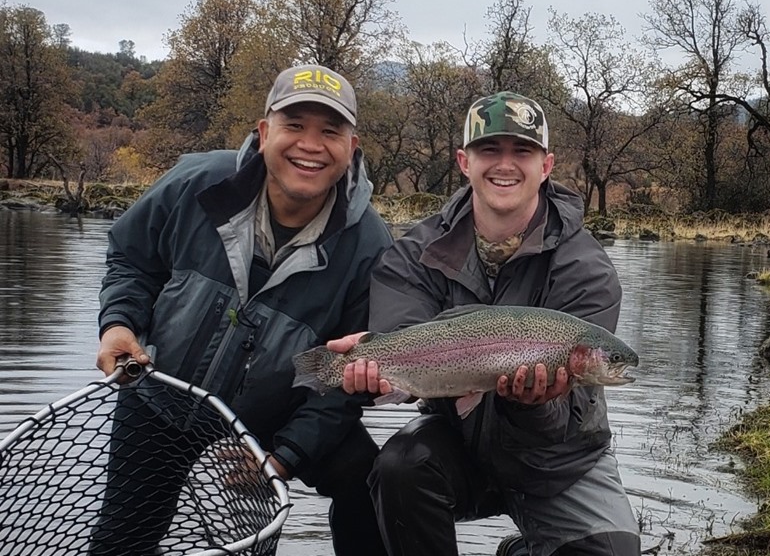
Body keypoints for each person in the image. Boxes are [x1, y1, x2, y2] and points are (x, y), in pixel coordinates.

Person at [91, 64, 392, 556]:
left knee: (371, 480)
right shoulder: (196, 183)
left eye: (330, 131)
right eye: (294, 126)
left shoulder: (369, 246)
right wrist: (118, 325)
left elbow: (347, 380)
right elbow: (131, 259)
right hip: (161, 394)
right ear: (264, 131)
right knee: (121, 542)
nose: (310, 145)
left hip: (277, 413)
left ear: (351, 148)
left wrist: (285, 457)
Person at [336, 91, 640, 555]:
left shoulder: (587, 271)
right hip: (456, 446)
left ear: (547, 165)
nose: (506, 164)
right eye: (489, 150)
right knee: (397, 466)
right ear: (464, 161)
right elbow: (405, 345)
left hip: (560, 460)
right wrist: (375, 363)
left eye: (522, 151)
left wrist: (534, 403)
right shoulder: (415, 254)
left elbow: (562, 424)